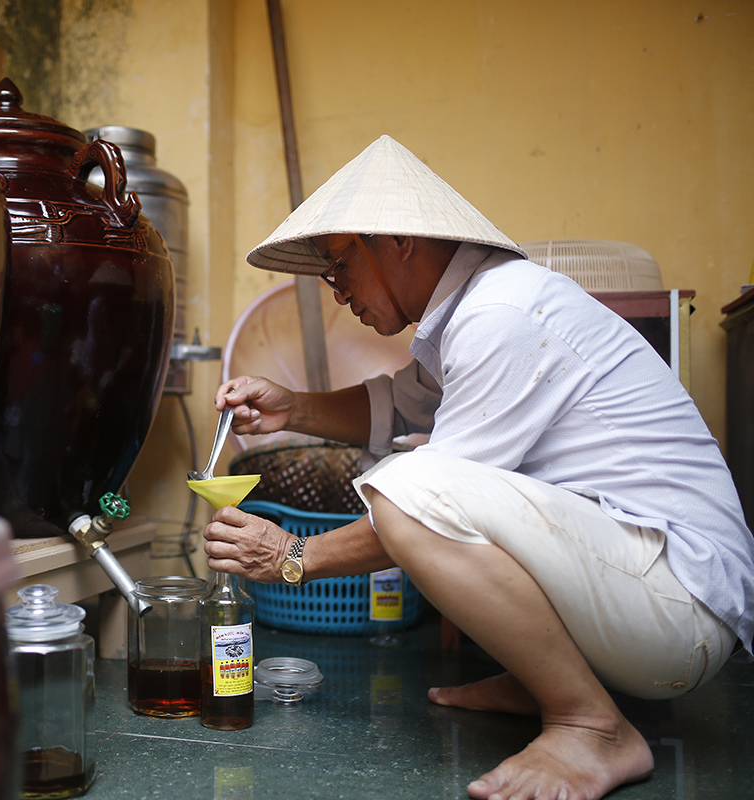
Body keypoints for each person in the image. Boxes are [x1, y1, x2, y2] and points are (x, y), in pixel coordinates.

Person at [204, 135, 753, 800]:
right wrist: (292, 407)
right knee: (419, 475)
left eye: (339, 263)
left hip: (678, 610)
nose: (336, 290)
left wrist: (293, 555)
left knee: (408, 486)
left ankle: (590, 724)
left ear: (398, 241)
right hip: (644, 592)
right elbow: (395, 408)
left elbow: (422, 502)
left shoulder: (501, 312)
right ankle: (544, 675)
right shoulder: (467, 317)